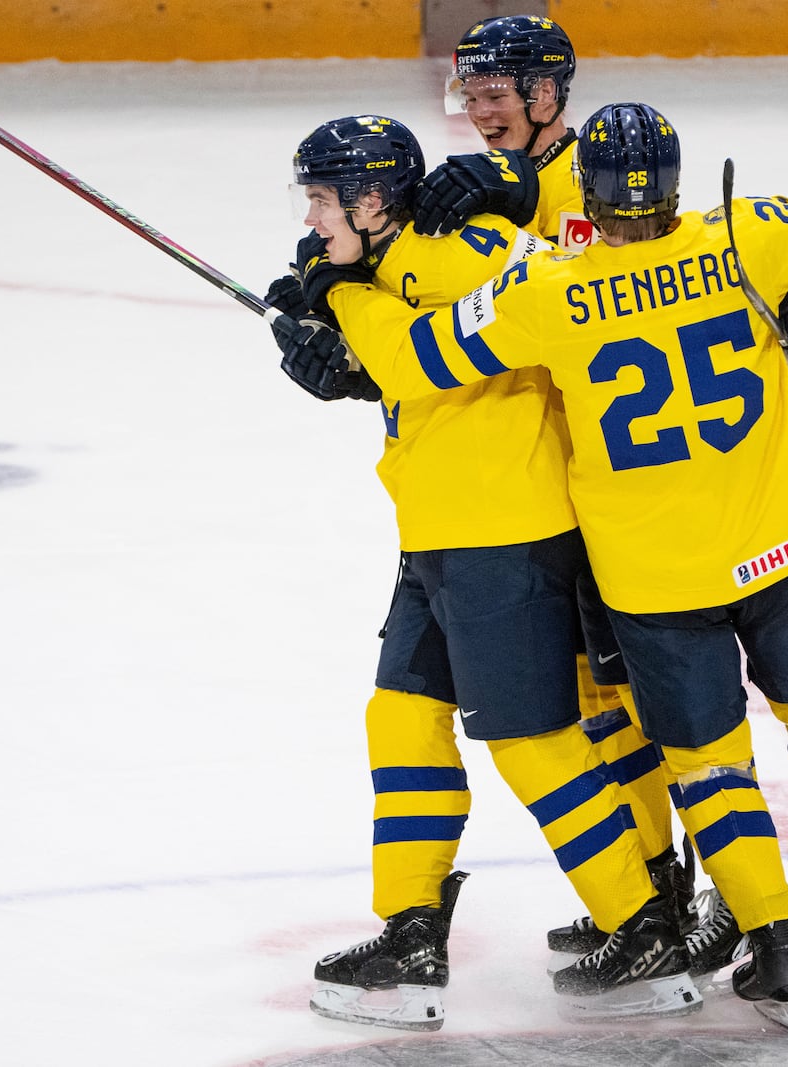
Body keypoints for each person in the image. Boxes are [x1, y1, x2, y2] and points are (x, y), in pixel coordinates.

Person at [297, 51, 788, 1038]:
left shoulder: (555, 286)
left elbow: (422, 353)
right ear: (678, 183)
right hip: (779, 546)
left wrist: (339, 302)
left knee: (706, 764)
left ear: (585, 195)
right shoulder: (750, 235)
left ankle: (759, 937)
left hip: (651, 569)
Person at [268, 114, 701, 1031]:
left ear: (372, 200)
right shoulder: (388, 261)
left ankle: (643, 921)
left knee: (534, 740)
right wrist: (336, 343)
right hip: (438, 536)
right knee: (403, 715)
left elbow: (512, 311)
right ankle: (412, 930)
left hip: (505, 538)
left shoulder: (472, 250)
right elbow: (404, 365)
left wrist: (344, 310)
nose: (309, 220)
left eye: (319, 201)